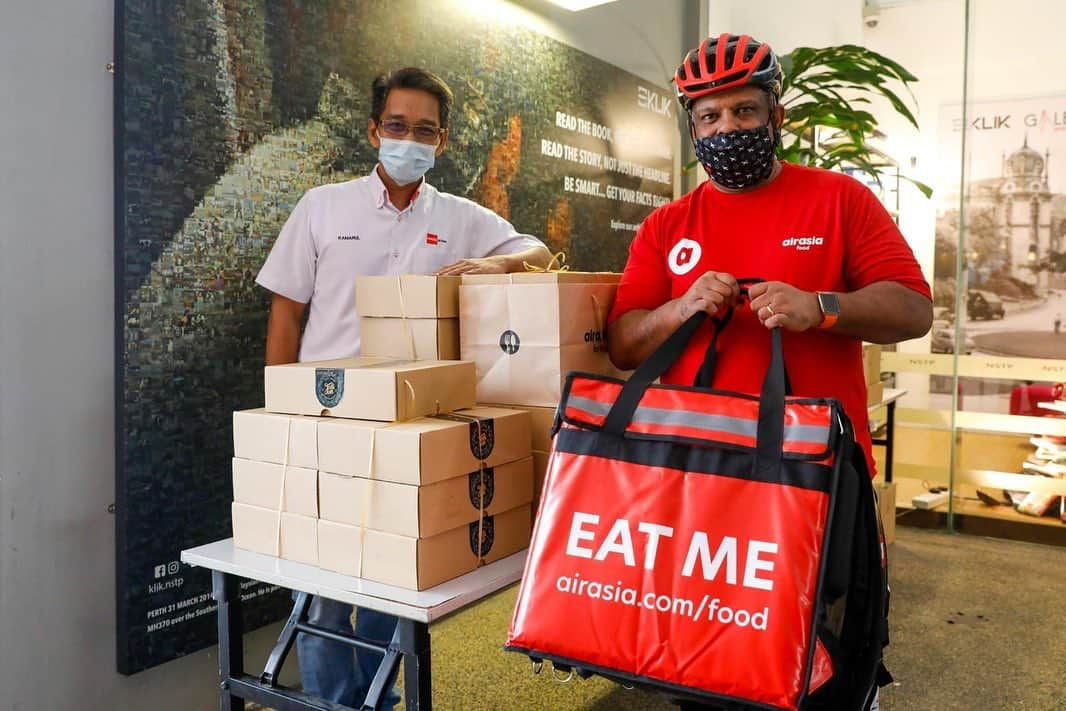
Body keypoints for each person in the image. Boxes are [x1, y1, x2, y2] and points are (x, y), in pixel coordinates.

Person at [606, 34, 932, 710]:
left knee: (826, 659)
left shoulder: (840, 200)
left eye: (744, 112)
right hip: (703, 480)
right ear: (692, 127)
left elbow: (913, 307)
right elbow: (624, 344)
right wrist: (683, 306)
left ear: (776, 116)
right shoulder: (668, 225)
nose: (728, 129)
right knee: (706, 664)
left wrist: (823, 307)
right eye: (710, 117)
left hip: (817, 476)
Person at [256, 66, 550, 708]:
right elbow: (286, 312)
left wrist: (492, 261)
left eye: (425, 130)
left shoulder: (461, 217)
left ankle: (379, 700)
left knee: (399, 579)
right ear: (373, 131)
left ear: (440, 142)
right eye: (397, 126)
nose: (409, 139)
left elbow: (537, 250)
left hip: (412, 430)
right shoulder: (323, 206)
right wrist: (277, 413)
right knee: (326, 582)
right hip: (325, 420)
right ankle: (338, 701)